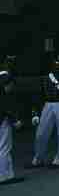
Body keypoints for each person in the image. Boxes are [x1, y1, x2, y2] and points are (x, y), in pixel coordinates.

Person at [28, 54, 59, 169]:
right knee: (41, 133)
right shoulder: (46, 78)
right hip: (48, 104)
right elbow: (38, 96)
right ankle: (38, 158)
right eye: (55, 63)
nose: (57, 65)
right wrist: (35, 113)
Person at [1, 53, 25, 185]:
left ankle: (6, 174)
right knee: (4, 146)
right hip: (3, 117)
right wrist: (14, 118)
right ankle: (5, 176)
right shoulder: (6, 78)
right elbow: (6, 101)